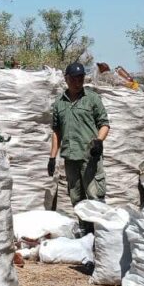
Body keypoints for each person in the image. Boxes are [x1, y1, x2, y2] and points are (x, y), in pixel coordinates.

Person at [48, 62, 110, 209]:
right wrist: (52, 157)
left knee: (95, 196)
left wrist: (99, 141)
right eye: (74, 79)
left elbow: (104, 124)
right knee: (76, 199)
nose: (77, 82)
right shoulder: (59, 103)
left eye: (80, 78)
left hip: (90, 158)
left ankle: (99, 231)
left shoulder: (92, 98)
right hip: (71, 158)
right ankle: (84, 230)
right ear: (66, 79)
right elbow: (56, 131)